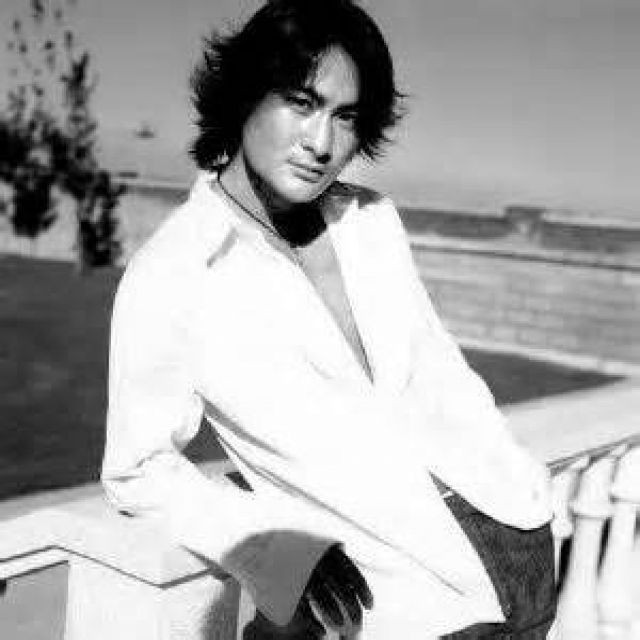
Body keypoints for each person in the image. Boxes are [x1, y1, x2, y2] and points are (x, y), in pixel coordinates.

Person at [102, 0, 557, 637]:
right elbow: (137, 471)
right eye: (301, 102)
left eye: (345, 117)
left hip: (522, 544)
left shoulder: (371, 222)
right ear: (245, 95)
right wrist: (268, 545)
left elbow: (440, 375)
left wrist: (525, 490)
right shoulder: (173, 273)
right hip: (409, 603)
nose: (321, 143)